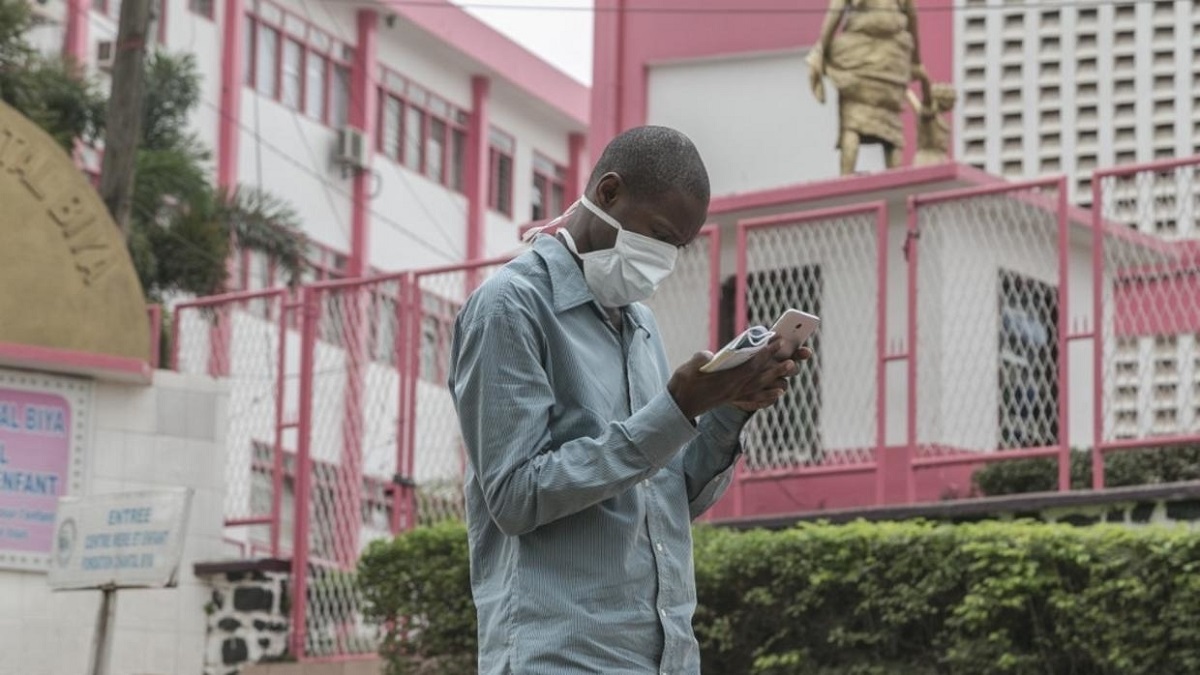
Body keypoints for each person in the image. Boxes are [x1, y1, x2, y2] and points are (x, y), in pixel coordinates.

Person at [448, 126, 811, 674]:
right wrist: (675, 410)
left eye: (677, 247)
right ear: (609, 192)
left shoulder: (637, 323)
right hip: (561, 658)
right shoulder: (510, 307)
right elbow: (515, 497)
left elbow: (663, 496)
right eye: (658, 234)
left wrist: (728, 409)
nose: (663, 259)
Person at [806, 0, 928, 174]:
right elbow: (912, 15)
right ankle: (895, 181)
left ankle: (847, 178)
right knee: (891, 131)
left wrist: (820, 49)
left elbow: (836, 9)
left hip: (873, 57)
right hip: (888, 59)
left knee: (853, 125)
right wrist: (916, 61)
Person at [907, 80, 957, 167]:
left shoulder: (935, 119)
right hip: (928, 159)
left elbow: (918, 106)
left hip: (937, 160)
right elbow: (918, 107)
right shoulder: (929, 117)